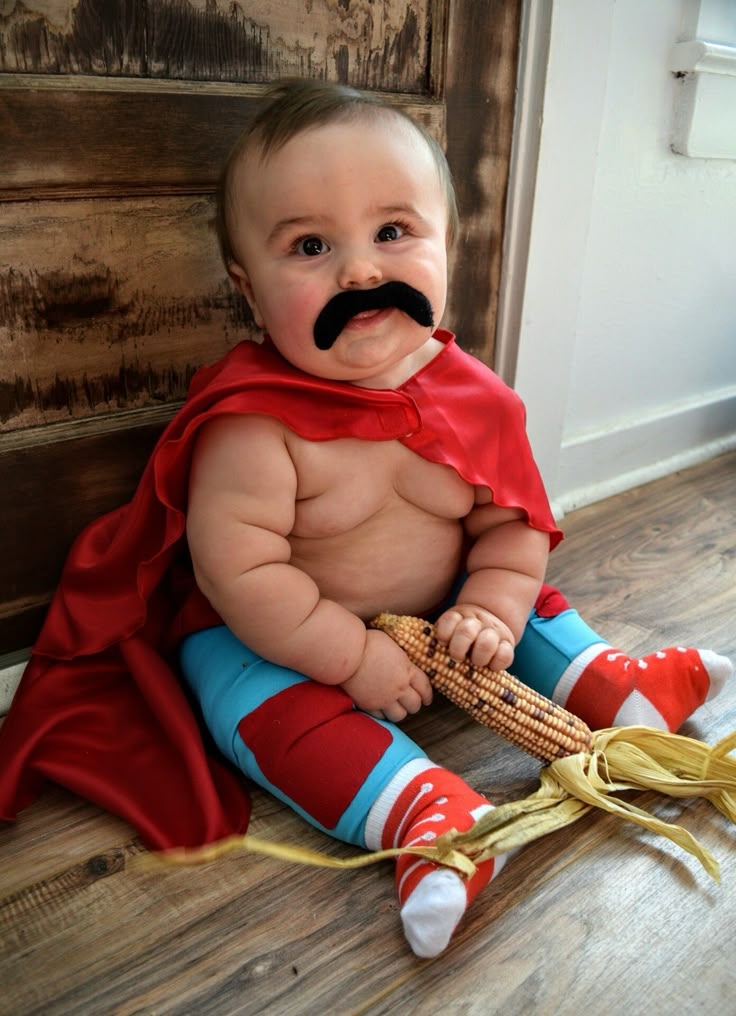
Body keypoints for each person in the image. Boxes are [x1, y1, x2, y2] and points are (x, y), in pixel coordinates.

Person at [0, 80, 730, 959]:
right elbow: (244, 574)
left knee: (528, 599)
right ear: (248, 288)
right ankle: (425, 814)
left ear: (448, 245)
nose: (359, 271)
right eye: (311, 245)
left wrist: (489, 612)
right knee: (242, 689)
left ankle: (619, 688)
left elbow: (514, 527)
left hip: (440, 610)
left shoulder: (477, 398)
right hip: (279, 633)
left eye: (393, 232)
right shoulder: (252, 427)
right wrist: (348, 657)